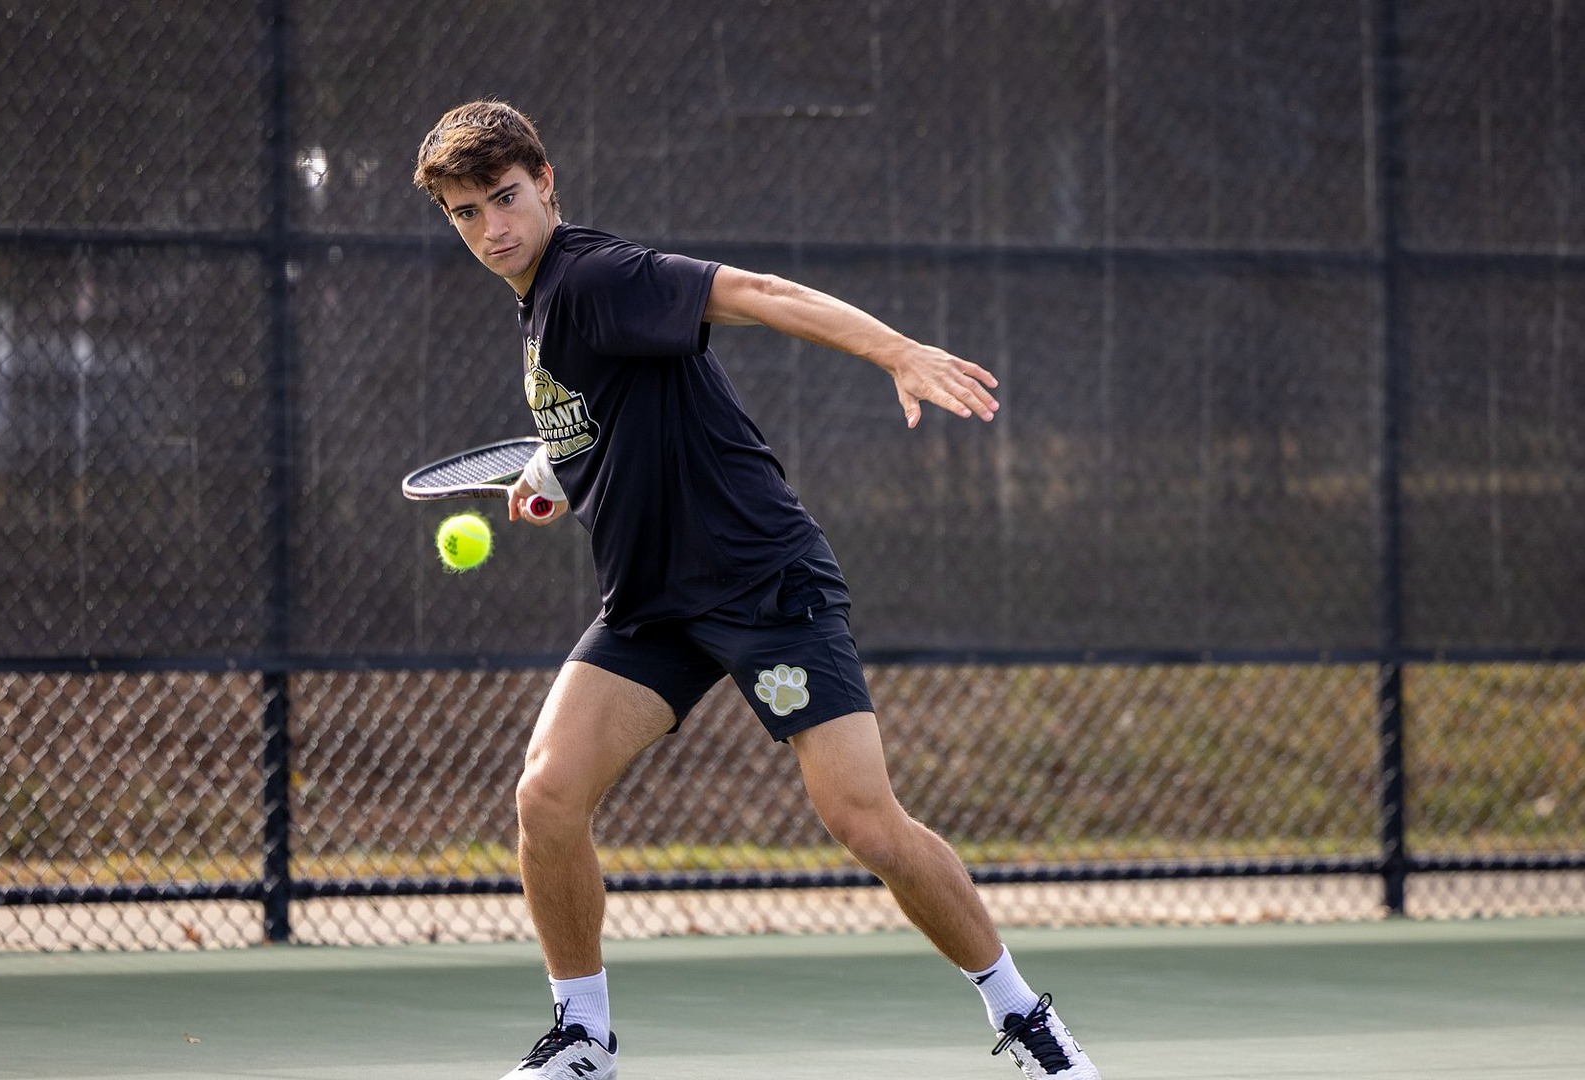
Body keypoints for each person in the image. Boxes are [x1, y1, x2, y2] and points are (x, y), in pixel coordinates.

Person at [412, 99, 1101, 1080]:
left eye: (506, 198)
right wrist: (561, 476)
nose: (493, 227)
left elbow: (760, 290)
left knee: (865, 821)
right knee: (548, 797)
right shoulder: (546, 311)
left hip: (761, 584)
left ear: (548, 182)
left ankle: (1026, 1018)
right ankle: (582, 1037)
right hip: (653, 605)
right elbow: (609, 419)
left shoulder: (595, 276)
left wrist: (896, 351)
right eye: (466, 212)